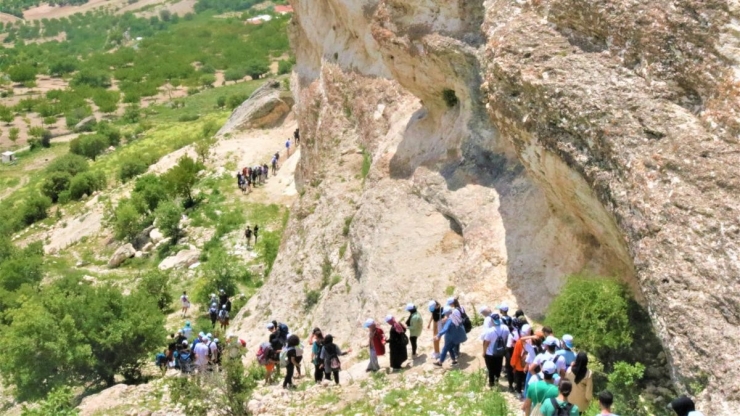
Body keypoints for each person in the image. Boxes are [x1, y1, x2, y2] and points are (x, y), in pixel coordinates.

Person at [482, 313, 511, 387]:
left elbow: (486, 343)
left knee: (491, 368)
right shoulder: (505, 328)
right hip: (500, 352)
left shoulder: (490, 331)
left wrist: (484, 352)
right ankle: (497, 380)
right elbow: (508, 338)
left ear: (492, 320)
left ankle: (491, 382)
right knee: (498, 367)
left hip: (490, 353)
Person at [511, 324, 532, 396]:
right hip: (528, 363)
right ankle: (525, 391)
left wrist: (513, 364)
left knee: (518, 378)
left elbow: (516, 354)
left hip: (519, 364)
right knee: (526, 378)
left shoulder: (519, 342)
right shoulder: (531, 340)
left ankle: (519, 392)